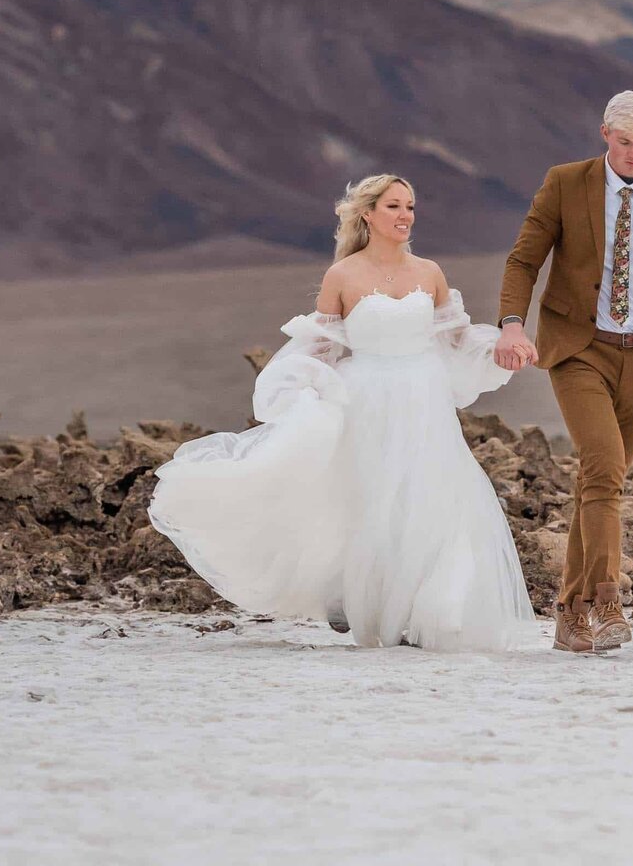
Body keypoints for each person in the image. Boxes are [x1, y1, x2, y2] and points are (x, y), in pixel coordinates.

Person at [148, 173, 537, 651]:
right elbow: (320, 347)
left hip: (425, 399)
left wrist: (502, 345)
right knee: (369, 500)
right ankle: (360, 600)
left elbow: (454, 339)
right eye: (394, 206)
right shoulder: (343, 276)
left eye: (410, 207)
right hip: (366, 398)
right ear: (368, 215)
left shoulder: (429, 272)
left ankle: (438, 607)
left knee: (435, 496)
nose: (405, 216)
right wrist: (302, 394)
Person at [495, 90, 633, 655]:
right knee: (604, 466)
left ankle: (569, 615)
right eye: (624, 143)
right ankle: (606, 601)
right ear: (604, 135)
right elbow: (525, 258)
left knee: (601, 483)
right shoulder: (566, 182)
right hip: (578, 348)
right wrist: (511, 324)